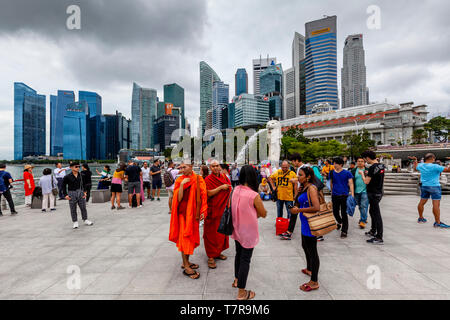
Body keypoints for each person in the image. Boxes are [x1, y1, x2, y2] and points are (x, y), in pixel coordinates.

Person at [231, 165, 267, 300]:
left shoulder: (235, 190)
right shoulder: (254, 195)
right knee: (245, 259)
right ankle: (241, 292)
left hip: (236, 229)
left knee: (238, 255)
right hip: (248, 233)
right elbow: (263, 213)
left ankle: (236, 279)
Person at [169, 161, 207, 280]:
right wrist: (181, 186)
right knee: (185, 239)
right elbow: (178, 199)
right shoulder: (180, 180)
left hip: (193, 214)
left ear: (191, 167)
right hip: (183, 214)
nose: (182, 169)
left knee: (190, 239)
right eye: (181, 167)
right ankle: (186, 265)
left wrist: (202, 211)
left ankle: (187, 262)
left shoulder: (198, 178)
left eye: (185, 167)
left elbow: (203, 195)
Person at [291, 167, 322, 292]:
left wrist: (298, 210)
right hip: (304, 223)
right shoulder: (303, 187)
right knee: (305, 246)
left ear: (308, 176)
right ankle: (309, 269)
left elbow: (316, 207)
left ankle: (314, 281)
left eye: (301, 175)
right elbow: (298, 202)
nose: (298, 177)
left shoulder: (312, 188)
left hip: (310, 224)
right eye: (298, 175)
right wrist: (297, 193)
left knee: (312, 251)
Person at [204, 160, 231, 269]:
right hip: (213, 210)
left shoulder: (224, 177)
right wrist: (220, 188)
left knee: (221, 233)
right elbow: (208, 193)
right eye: (213, 166)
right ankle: (211, 256)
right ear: (210, 168)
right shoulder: (208, 179)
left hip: (223, 210)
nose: (216, 168)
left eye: (217, 166)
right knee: (211, 234)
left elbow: (229, 189)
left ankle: (218, 252)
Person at [411, 153, 450, 228]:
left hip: (424, 186)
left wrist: (415, 161)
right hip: (434, 186)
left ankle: (421, 218)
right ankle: (437, 223)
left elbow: (415, 168)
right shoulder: (435, 166)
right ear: (432, 158)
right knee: (436, 205)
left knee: (421, 203)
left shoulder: (421, 165)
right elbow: (448, 170)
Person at [360, 150, 385, 244]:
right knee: (372, 211)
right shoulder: (381, 165)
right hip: (379, 191)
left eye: (365, 159)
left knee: (376, 214)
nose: (365, 161)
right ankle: (373, 230)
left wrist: (362, 174)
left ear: (367, 158)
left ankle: (379, 237)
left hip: (373, 193)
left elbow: (366, 181)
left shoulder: (372, 168)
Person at [62, 162, 93, 229]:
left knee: (83, 207)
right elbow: (63, 186)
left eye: (79, 166)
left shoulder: (82, 175)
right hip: (71, 193)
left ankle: (85, 219)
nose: (78, 168)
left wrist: (85, 192)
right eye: (76, 166)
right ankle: (75, 222)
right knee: (73, 208)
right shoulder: (67, 177)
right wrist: (65, 195)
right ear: (71, 167)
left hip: (80, 192)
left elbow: (84, 184)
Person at [329, 157, 355, 238]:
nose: (334, 165)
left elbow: (351, 183)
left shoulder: (347, 173)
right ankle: (340, 222)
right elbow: (331, 183)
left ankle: (344, 231)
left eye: (335, 163)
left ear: (340, 164)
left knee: (344, 213)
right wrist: (332, 192)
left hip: (344, 195)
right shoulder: (332, 172)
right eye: (333, 163)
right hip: (335, 195)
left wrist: (352, 194)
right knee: (335, 212)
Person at [351, 157, 369, 229]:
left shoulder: (367, 170)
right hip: (356, 191)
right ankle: (364, 217)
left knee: (364, 206)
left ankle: (362, 221)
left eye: (362, 161)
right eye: (358, 161)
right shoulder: (353, 170)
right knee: (360, 206)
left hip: (365, 191)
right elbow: (351, 181)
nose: (360, 162)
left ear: (364, 163)